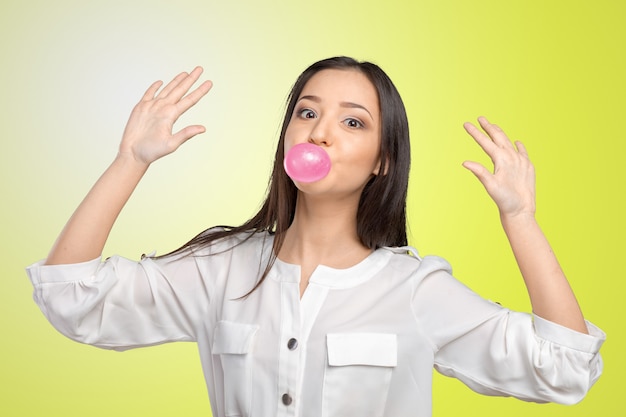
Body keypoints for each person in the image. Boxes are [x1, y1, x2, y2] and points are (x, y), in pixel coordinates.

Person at [27, 57, 604, 417]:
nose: (321, 132)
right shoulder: (220, 269)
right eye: (307, 113)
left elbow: (563, 367)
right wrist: (130, 160)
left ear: (383, 160)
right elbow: (71, 296)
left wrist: (520, 219)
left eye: (353, 121)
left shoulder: (416, 290)